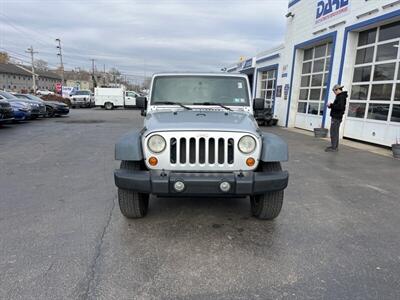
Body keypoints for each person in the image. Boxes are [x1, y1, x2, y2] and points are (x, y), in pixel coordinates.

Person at [325, 84, 348, 152]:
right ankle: (334, 146)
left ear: (337, 90)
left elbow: (339, 107)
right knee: (335, 132)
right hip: (337, 117)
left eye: (334, 91)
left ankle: (334, 148)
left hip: (336, 117)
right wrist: (331, 106)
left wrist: (331, 105)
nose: (334, 93)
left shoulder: (341, 97)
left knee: (334, 132)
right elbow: (338, 106)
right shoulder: (341, 96)